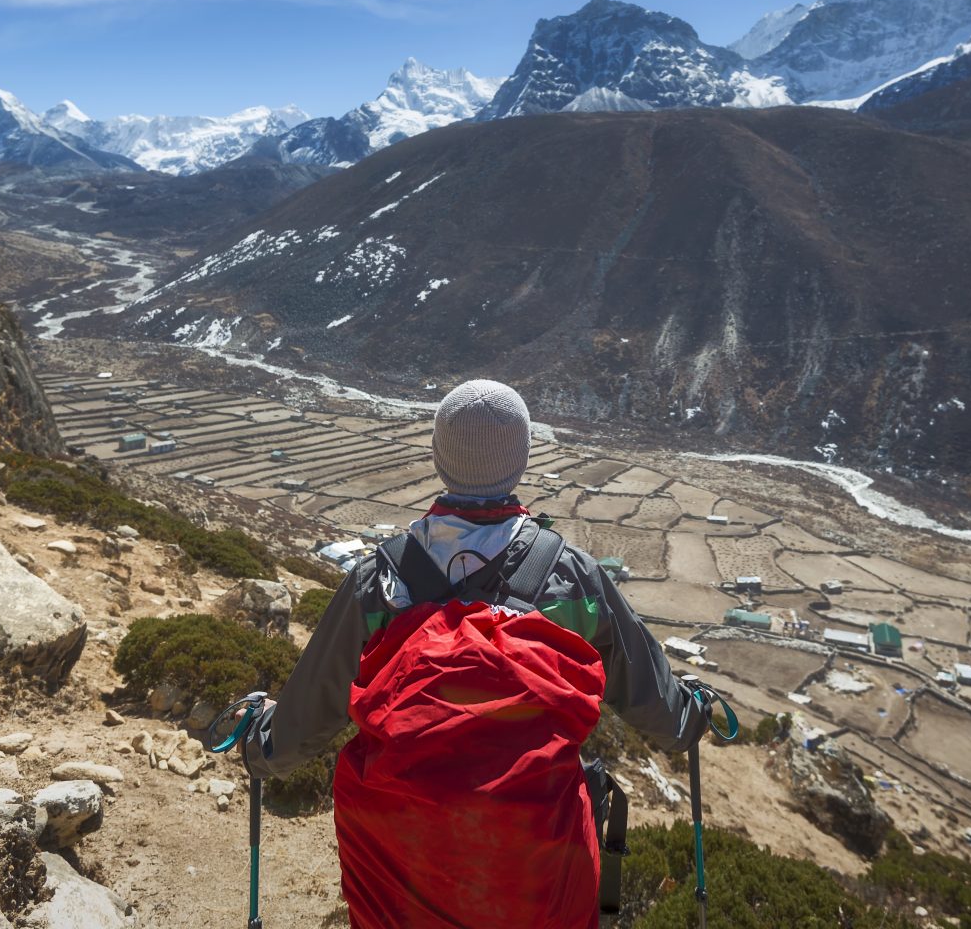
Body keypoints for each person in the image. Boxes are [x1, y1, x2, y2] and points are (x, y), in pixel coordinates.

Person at [241, 379, 704, 929]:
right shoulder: (571, 578)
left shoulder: (380, 582)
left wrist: (258, 744)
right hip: (537, 863)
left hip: (401, 860)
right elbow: (661, 711)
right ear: (522, 459)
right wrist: (695, 714)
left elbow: (304, 722)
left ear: (439, 456)